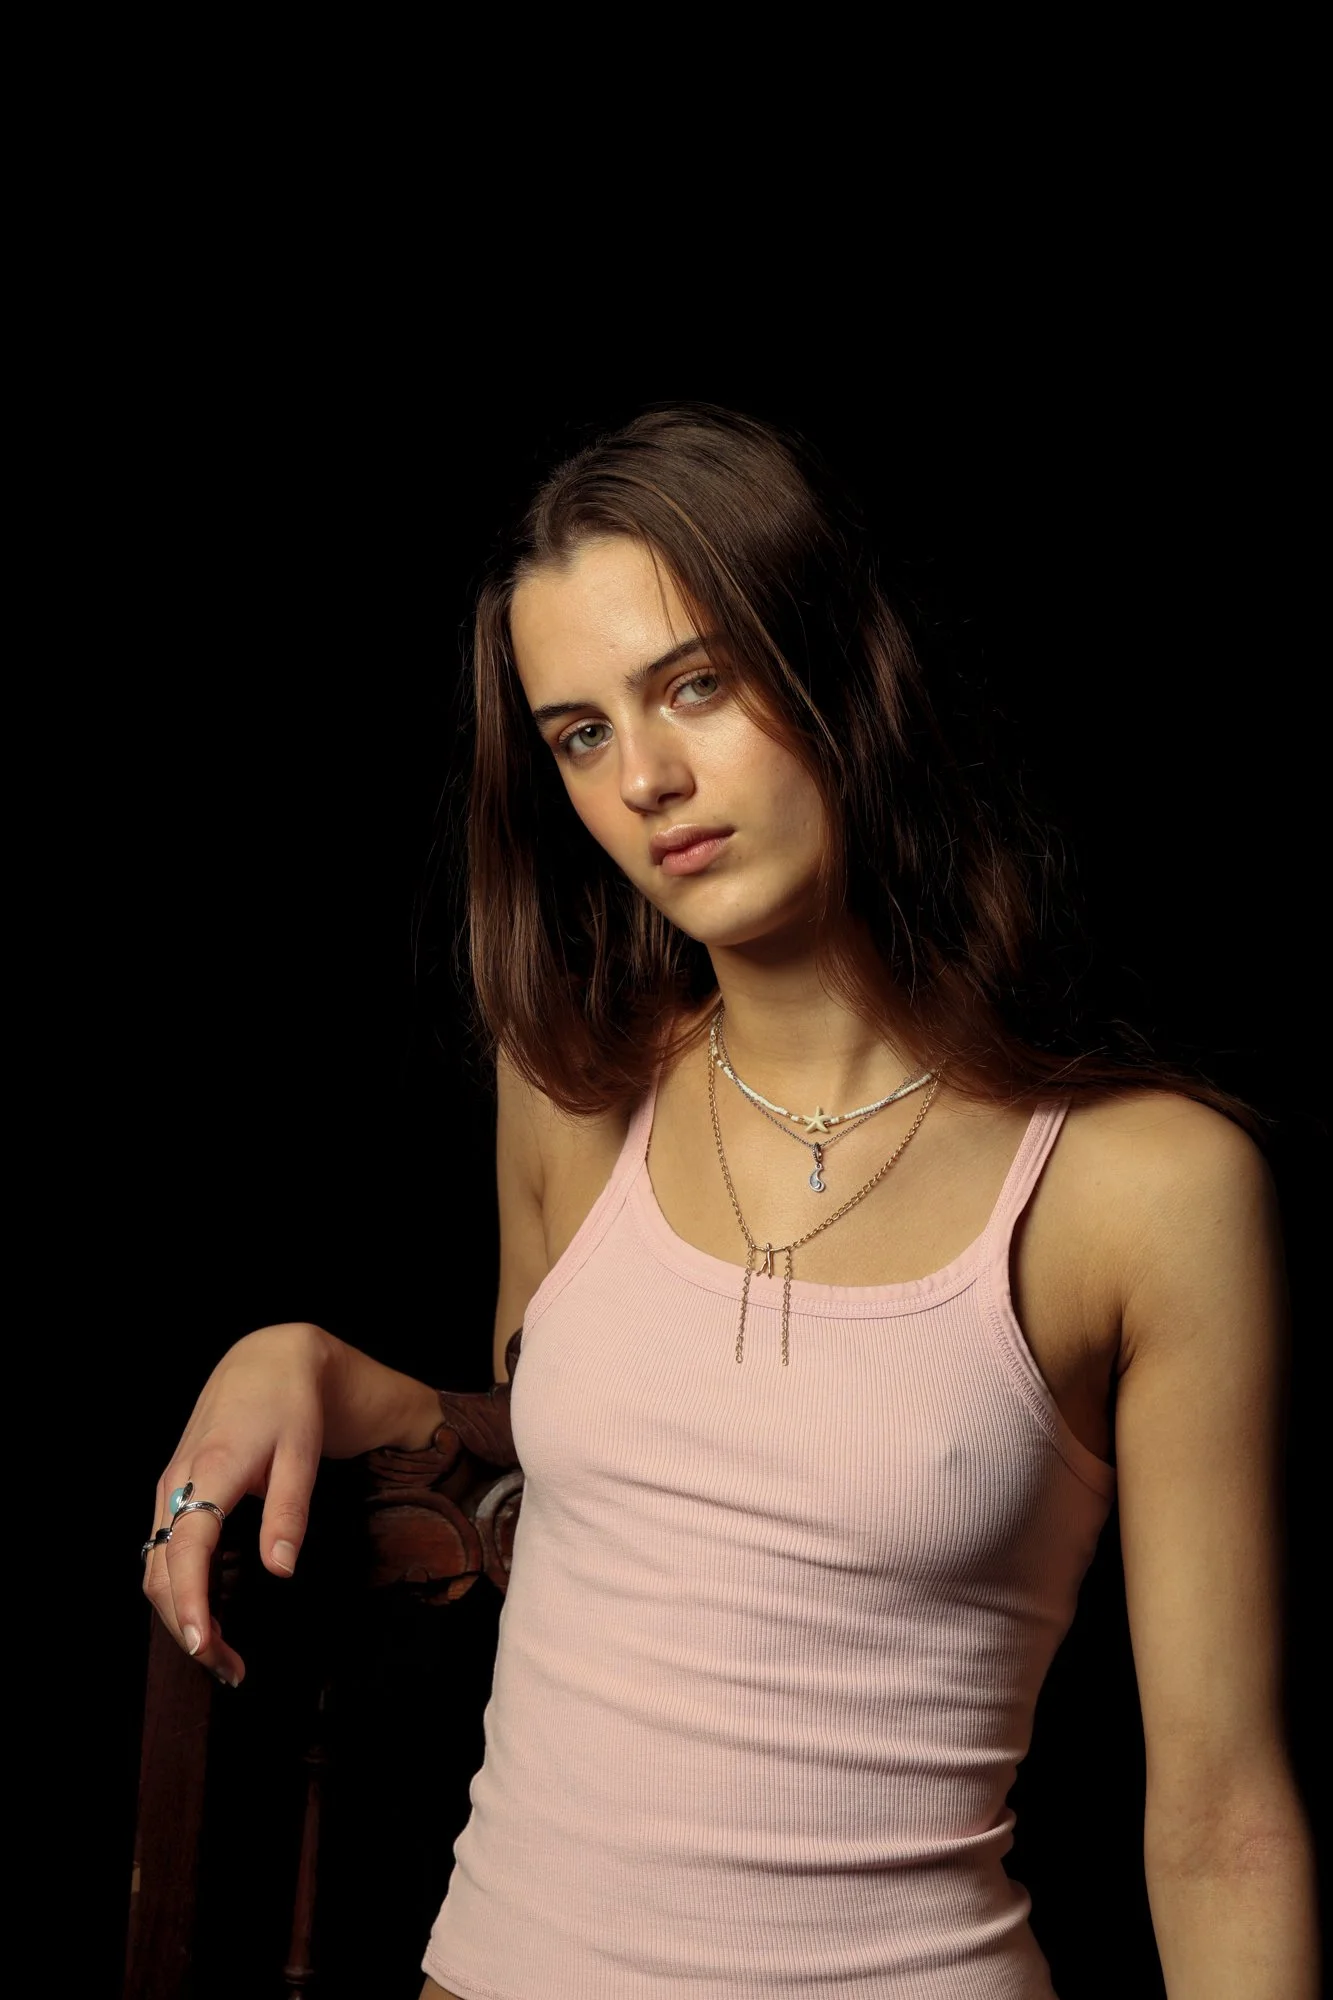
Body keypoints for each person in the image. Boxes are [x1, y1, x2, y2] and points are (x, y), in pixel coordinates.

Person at [141, 405, 1318, 1998]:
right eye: (579, 734)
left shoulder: (1145, 1189)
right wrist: (327, 1367)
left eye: (694, 683)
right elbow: (612, 1486)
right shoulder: (568, 1088)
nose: (648, 779)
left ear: (839, 666)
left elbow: (1221, 1811)